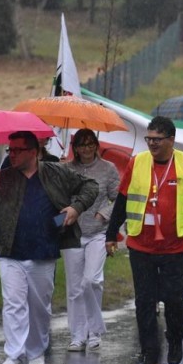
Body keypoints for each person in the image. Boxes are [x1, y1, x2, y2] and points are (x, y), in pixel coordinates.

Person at [0, 131, 98, 364]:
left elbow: (90, 186)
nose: (11, 155)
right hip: (9, 250)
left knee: (38, 306)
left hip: (43, 249)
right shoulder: (4, 177)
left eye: (17, 150)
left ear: (33, 151)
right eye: (9, 150)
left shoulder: (56, 171)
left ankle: (36, 352)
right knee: (13, 304)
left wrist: (75, 209)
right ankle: (12, 356)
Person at [105, 116, 183, 364]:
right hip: (142, 244)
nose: (151, 144)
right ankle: (150, 354)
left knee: (174, 299)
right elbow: (123, 198)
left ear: (171, 140)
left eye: (157, 140)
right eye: (148, 139)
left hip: (174, 246)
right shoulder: (138, 162)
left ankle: (175, 340)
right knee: (144, 301)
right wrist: (110, 234)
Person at [63, 129, 120, 352]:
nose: (86, 149)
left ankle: (95, 331)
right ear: (75, 148)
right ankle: (78, 335)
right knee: (74, 288)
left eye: (90, 144)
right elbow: (58, 195)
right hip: (73, 234)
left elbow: (117, 198)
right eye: (81, 145)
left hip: (98, 232)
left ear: (96, 145)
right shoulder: (67, 169)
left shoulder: (108, 169)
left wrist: (104, 212)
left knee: (91, 281)